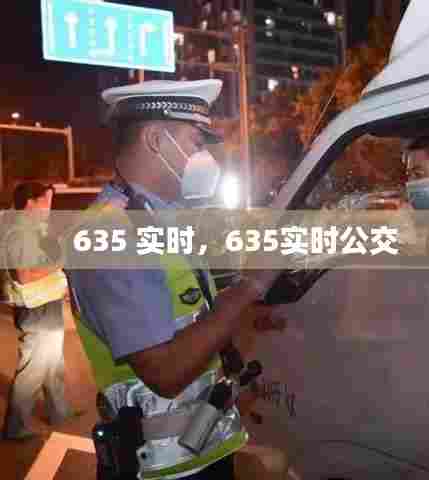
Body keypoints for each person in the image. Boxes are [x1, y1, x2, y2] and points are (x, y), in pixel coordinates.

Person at [65, 80, 278, 480]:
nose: (206, 158)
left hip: (199, 452)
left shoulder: (160, 223)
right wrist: (249, 287)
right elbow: (164, 372)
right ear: (155, 140)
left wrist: (240, 312)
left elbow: (192, 317)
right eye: (196, 143)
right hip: (157, 470)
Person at [2, 182, 74, 441]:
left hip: (44, 304)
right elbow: (25, 275)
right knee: (33, 370)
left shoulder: (30, 229)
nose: (49, 208)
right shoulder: (21, 233)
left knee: (53, 364)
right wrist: (59, 264)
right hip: (37, 309)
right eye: (46, 201)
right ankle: (15, 427)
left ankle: (59, 412)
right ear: (30, 202)